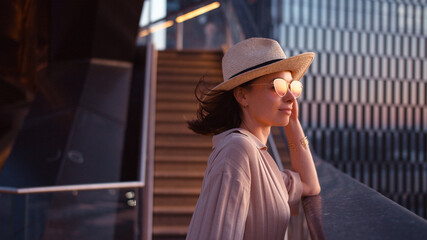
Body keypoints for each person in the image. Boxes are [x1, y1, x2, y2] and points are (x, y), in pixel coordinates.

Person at [186, 37, 321, 240]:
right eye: (278, 87)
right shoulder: (237, 150)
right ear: (242, 96)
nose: (291, 97)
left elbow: (310, 186)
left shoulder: (260, 158)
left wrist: (293, 121)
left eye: (293, 88)